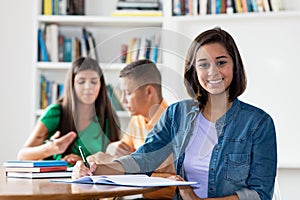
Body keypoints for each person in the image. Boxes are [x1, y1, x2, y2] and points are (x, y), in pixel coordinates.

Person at [72, 28, 277, 200]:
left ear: (235, 66)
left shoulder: (258, 123)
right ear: (194, 70)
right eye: (204, 64)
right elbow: (143, 159)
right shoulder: (178, 113)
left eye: (221, 62)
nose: (212, 72)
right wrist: (95, 169)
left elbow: (259, 194)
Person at [87, 59, 176, 199]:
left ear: (149, 91)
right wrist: (112, 149)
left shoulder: (173, 122)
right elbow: (119, 151)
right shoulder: (137, 120)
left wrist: (116, 159)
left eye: (127, 93)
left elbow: (155, 169)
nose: (122, 101)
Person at [18, 57, 120, 166]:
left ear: (101, 85)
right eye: (81, 82)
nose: (88, 87)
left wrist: (84, 161)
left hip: (94, 180)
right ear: (72, 85)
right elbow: (22, 156)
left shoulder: (108, 116)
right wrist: (51, 148)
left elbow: (114, 160)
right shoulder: (56, 113)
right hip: (58, 180)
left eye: (94, 82)